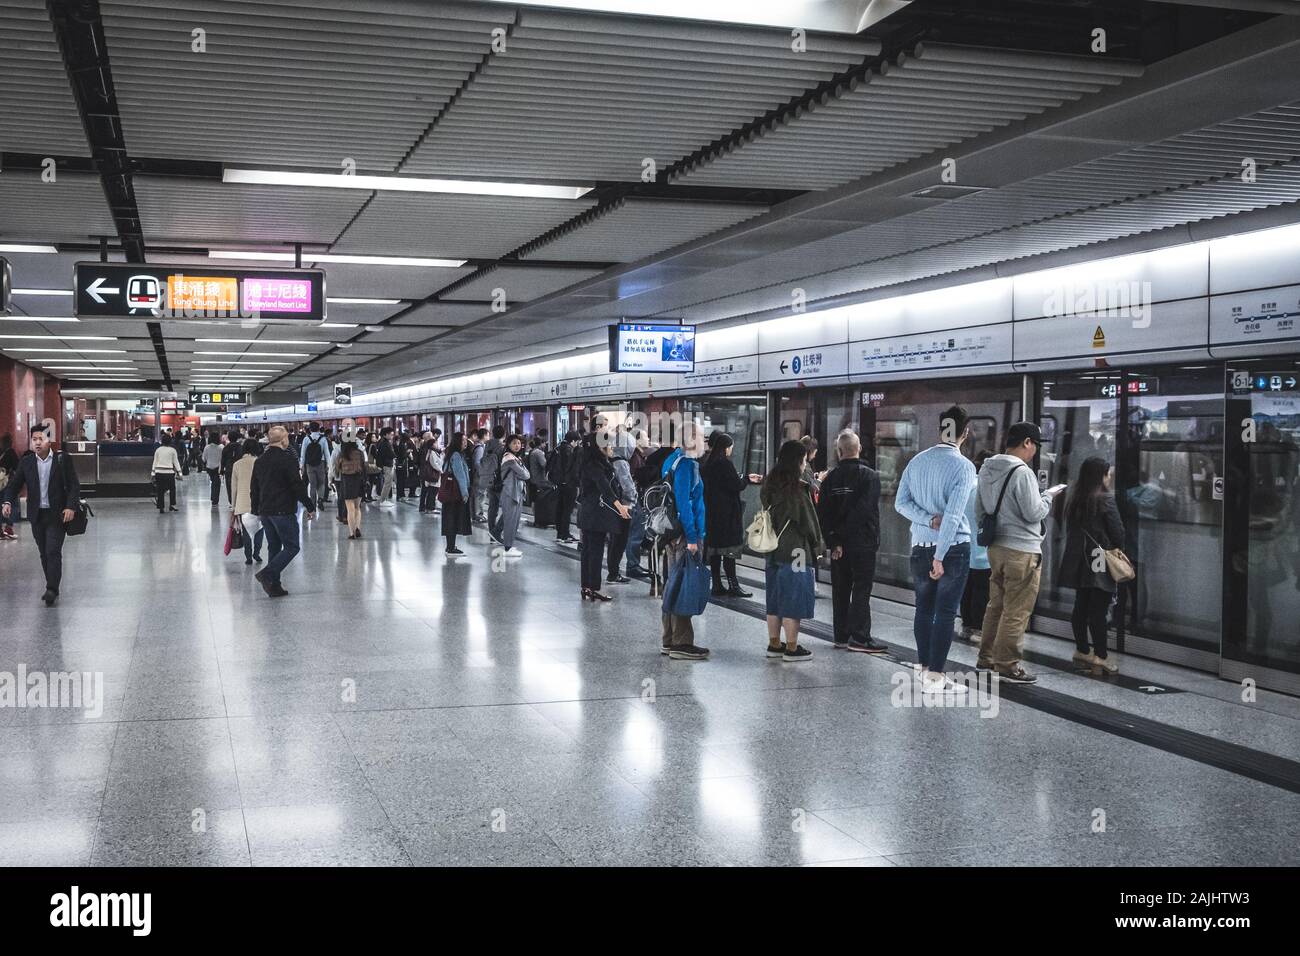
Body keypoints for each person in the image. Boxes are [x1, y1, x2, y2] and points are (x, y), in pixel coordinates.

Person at [894, 406, 977, 694]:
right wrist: (940, 556)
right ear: (964, 432)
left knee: (923, 608)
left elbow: (900, 504)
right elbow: (953, 517)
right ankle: (936, 678)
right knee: (944, 613)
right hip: (951, 551)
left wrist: (927, 520)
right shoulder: (964, 467)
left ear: (941, 428)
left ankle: (925, 669)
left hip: (919, 546)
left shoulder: (917, 461)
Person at [975, 421, 1063, 684]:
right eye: (1035, 445)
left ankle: (986, 658)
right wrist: (1047, 496)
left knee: (996, 605)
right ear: (1026, 442)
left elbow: (980, 510)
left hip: (996, 548)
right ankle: (1007, 664)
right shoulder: (1022, 472)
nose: (1035, 451)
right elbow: (1033, 512)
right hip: (1021, 551)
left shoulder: (987, 468)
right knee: (1016, 610)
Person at [817, 429, 887, 653]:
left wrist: (835, 540)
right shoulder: (870, 476)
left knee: (840, 589)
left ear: (839, 452)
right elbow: (863, 511)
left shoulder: (830, 479)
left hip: (839, 546)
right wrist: (844, 537)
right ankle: (859, 637)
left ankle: (840, 635)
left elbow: (823, 514)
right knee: (861, 588)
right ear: (859, 449)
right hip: (863, 542)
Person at [1058, 456, 1125, 673]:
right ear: (1101, 476)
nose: (1109, 478)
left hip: (1080, 560)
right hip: (1099, 560)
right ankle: (1101, 656)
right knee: (1098, 610)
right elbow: (1118, 532)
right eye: (1108, 474)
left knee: (1081, 606)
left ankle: (1082, 650)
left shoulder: (1076, 498)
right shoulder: (1105, 499)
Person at [1, 425, 80, 606]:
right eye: (34, 439)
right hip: (37, 515)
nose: (37, 442)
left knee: (53, 551)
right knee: (44, 553)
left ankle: (51, 588)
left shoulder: (62, 460)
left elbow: (74, 486)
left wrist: (70, 507)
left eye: (40, 439)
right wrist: (6, 502)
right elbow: (14, 485)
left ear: (49, 441)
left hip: (57, 515)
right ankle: (51, 584)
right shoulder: (27, 462)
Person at [759, 439, 823, 662]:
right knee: (793, 599)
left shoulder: (769, 483)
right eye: (804, 460)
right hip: (795, 550)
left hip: (772, 548)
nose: (805, 464)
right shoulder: (797, 488)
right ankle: (793, 648)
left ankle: (774, 644)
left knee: (775, 598)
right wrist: (819, 545)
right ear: (798, 461)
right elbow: (808, 522)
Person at [659, 428, 709, 660]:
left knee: (673, 582)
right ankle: (681, 642)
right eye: (700, 437)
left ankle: (669, 639)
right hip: (684, 535)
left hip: (671, 532)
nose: (704, 441)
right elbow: (685, 504)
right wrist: (691, 537)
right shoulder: (688, 465)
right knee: (683, 585)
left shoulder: (672, 459)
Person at [250, 425, 316, 598]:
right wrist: (309, 505)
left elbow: (254, 488)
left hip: (265, 511)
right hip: (283, 510)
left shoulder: (260, 460)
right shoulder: (288, 460)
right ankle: (268, 574)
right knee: (292, 546)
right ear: (284, 439)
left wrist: (255, 509)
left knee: (274, 546)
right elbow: (297, 486)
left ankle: (274, 586)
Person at [700, 431, 759, 597]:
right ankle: (734, 586)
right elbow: (736, 485)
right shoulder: (725, 464)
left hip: (712, 514)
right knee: (729, 552)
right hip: (727, 515)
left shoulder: (707, 464)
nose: (731, 450)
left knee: (716, 551)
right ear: (725, 448)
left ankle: (717, 585)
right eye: (730, 447)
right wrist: (747, 479)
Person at [577, 431, 631, 600]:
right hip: (596, 513)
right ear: (598, 447)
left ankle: (587, 586)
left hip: (589, 511)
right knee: (595, 550)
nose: (610, 447)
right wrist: (619, 506)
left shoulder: (591, 463)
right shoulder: (595, 465)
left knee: (588, 550)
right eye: (607, 444)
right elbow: (604, 487)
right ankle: (594, 587)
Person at [959, 452, 993, 642]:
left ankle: (966, 625)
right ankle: (978, 628)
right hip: (983, 550)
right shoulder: (985, 488)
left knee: (967, 588)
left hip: (965, 546)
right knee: (982, 589)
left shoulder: (965, 485)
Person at [606, 432, 639, 584]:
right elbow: (628, 486)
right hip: (623, 507)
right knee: (619, 541)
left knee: (614, 540)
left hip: (613, 506)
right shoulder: (621, 462)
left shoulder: (609, 459)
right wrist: (632, 502)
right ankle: (613, 573)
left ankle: (613, 571)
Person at [493, 434, 530, 558]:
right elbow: (525, 475)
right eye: (514, 443)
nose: (517, 445)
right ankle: (508, 548)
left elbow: (526, 473)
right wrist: (523, 472)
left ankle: (503, 539)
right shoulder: (509, 459)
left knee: (512, 520)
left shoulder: (515, 458)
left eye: (519, 443)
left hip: (515, 493)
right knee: (511, 521)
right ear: (508, 445)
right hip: (510, 493)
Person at [230, 438, 264, 565]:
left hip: (242, 502)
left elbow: (233, 488)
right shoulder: (260, 462)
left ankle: (248, 556)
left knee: (246, 531)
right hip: (259, 502)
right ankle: (257, 553)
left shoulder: (237, 464)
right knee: (260, 529)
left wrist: (233, 506)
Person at [440, 432, 473, 554]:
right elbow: (460, 476)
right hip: (455, 493)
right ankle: (451, 547)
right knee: (453, 519)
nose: (465, 442)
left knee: (449, 518)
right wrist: (465, 493)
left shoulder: (450, 455)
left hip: (449, 493)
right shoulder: (457, 456)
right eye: (463, 440)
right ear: (457, 442)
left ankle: (450, 546)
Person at [332, 437, 367, 539]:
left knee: (350, 509)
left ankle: (352, 533)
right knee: (357, 507)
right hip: (359, 480)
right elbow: (364, 467)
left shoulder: (342, 454)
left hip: (347, 482)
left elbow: (337, 469)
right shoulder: (360, 453)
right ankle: (357, 528)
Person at [550, 430, 581, 544]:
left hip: (559, 483)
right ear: (573, 441)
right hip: (569, 484)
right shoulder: (569, 451)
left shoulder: (558, 448)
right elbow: (572, 469)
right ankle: (565, 534)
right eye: (577, 442)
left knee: (560, 508)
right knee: (567, 510)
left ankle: (560, 533)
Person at [479, 425, 506, 534]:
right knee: (508, 508)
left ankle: (491, 532)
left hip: (488, 479)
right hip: (499, 480)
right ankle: (496, 531)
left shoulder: (487, 446)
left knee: (492, 507)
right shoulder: (502, 447)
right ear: (504, 434)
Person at [300, 424, 331, 510]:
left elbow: (303, 454)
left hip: (309, 464)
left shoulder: (306, 439)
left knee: (312, 484)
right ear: (318, 429)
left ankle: (313, 504)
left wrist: (302, 466)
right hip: (321, 463)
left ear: (310, 429)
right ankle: (320, 499)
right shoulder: (323, 439)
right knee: (321, 483)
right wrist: (328, 465)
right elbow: (327, 453)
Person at [150, 432, 183, 513]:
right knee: (172, 489)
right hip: (169, 473)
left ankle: (161, 507)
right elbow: (176, 462)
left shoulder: (158, 450)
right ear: (170, 441)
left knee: (160, 490)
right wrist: (180, 473)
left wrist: (152, 473)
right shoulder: (173, 450)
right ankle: (172, 505)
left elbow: (155, 462)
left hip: (159, 472)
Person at [527, 437, 554, 528]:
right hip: (539, 480)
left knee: (534, 499)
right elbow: (544, 464)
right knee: (538, 500)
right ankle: (538, 519)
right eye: (544, 443)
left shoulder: (532, 451)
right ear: (541, 443)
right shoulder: (538, 452)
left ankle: (536, 519)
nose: (545, 445)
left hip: (532, 479)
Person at [418, 430, 443, 514]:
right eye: (431, 436)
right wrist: (440, 470)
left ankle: (425, 507)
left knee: (427, 490)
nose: (433, 437)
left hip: (427, 472)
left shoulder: (427, 447)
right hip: (429, 473)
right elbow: (431, 462)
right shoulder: (427, 449)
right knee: (430, 490)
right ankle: (427, 507)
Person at [0, 434, 18, 541]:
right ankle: (9, 528)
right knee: (10, 504)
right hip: (7, 484)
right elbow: (17, 467)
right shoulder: (11, 452)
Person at [374, 427, 397, 507]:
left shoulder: (383, 442)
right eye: (391, 434)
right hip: (387, 465)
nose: (392, 436)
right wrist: (395, 455)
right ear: (385, 434)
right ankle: (383, 500)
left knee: (387, 483)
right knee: (387, 483)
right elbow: (390, 454)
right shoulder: (385, 443)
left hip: (386, 464)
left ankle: (384, 499)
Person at [470, 427, 490, 522]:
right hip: (479, 476)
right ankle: (478, 515)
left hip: (476, 475)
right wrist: (483, 473)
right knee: (480, 495)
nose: (489, 437)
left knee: (478, 495)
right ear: (485, 435)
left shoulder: (476, 446)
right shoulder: (480, 448)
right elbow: (478, 463)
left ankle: (476, 515)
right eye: (488, 435)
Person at [220, 429, 242, 505]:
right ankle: (238, 501)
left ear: (228, 438)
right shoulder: (240, 447)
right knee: (239, 486)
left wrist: (222, 470)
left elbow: (223, 460)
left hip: (229, 470)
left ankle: (231, 501)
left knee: (229, 486)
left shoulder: (226, 448)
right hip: (239, 470)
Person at [202, 432, 224, 505]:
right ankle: (215, 500)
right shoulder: (221, 447)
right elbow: (223, 459)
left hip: (209, 468)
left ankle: (212, 497)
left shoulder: (207, 447)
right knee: (217, 483)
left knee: (213, 482)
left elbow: (204, 459)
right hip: (218, 468)